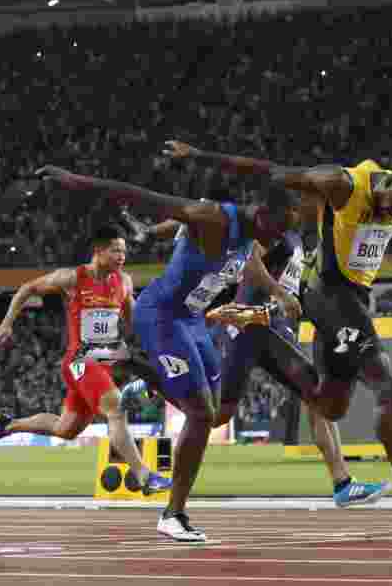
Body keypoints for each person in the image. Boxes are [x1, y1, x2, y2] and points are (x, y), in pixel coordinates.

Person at [165, 140, 392, 535]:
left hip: (353, 299)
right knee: (384, 383)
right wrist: (199, 155)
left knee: (331, 406)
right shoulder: (344, 183)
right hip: (329, 294)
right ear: (388, 183)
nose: (391, 213)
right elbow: (273, 170)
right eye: (391, 204)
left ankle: (261, 338)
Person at [37, 165, 303, 542]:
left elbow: (251, 262)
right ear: (261, 214)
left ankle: (138, 371)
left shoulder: (252, 236)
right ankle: (173, 514)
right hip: (161, 315)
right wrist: (76, 182)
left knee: (214, 416)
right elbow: (138, 194)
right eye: (277, 230)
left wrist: (280, 292)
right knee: (201, 412)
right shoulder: (211, 218)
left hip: (192, 321)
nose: (279, 239)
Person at [121, 216, 390, 507]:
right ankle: (150, 377)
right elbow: (247, 257)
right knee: (217, 415)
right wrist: (276, 294)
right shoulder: (275, 231)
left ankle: (342, 483)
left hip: (272, 326)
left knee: (317, 396)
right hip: (249, 326)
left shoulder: (306, 241)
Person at [0, 225, 172, 495]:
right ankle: (144, 475)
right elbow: (27, 288)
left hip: (104, 361)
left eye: (124, 251)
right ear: (98, 251)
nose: (122, 256)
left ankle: (10, 425)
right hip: (80, 361)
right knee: (116, 408)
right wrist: (6, 324)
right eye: (116, 250)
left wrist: (154, 344)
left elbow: (134, 319)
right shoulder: (72, 278)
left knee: (66, 429)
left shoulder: (125, 282)